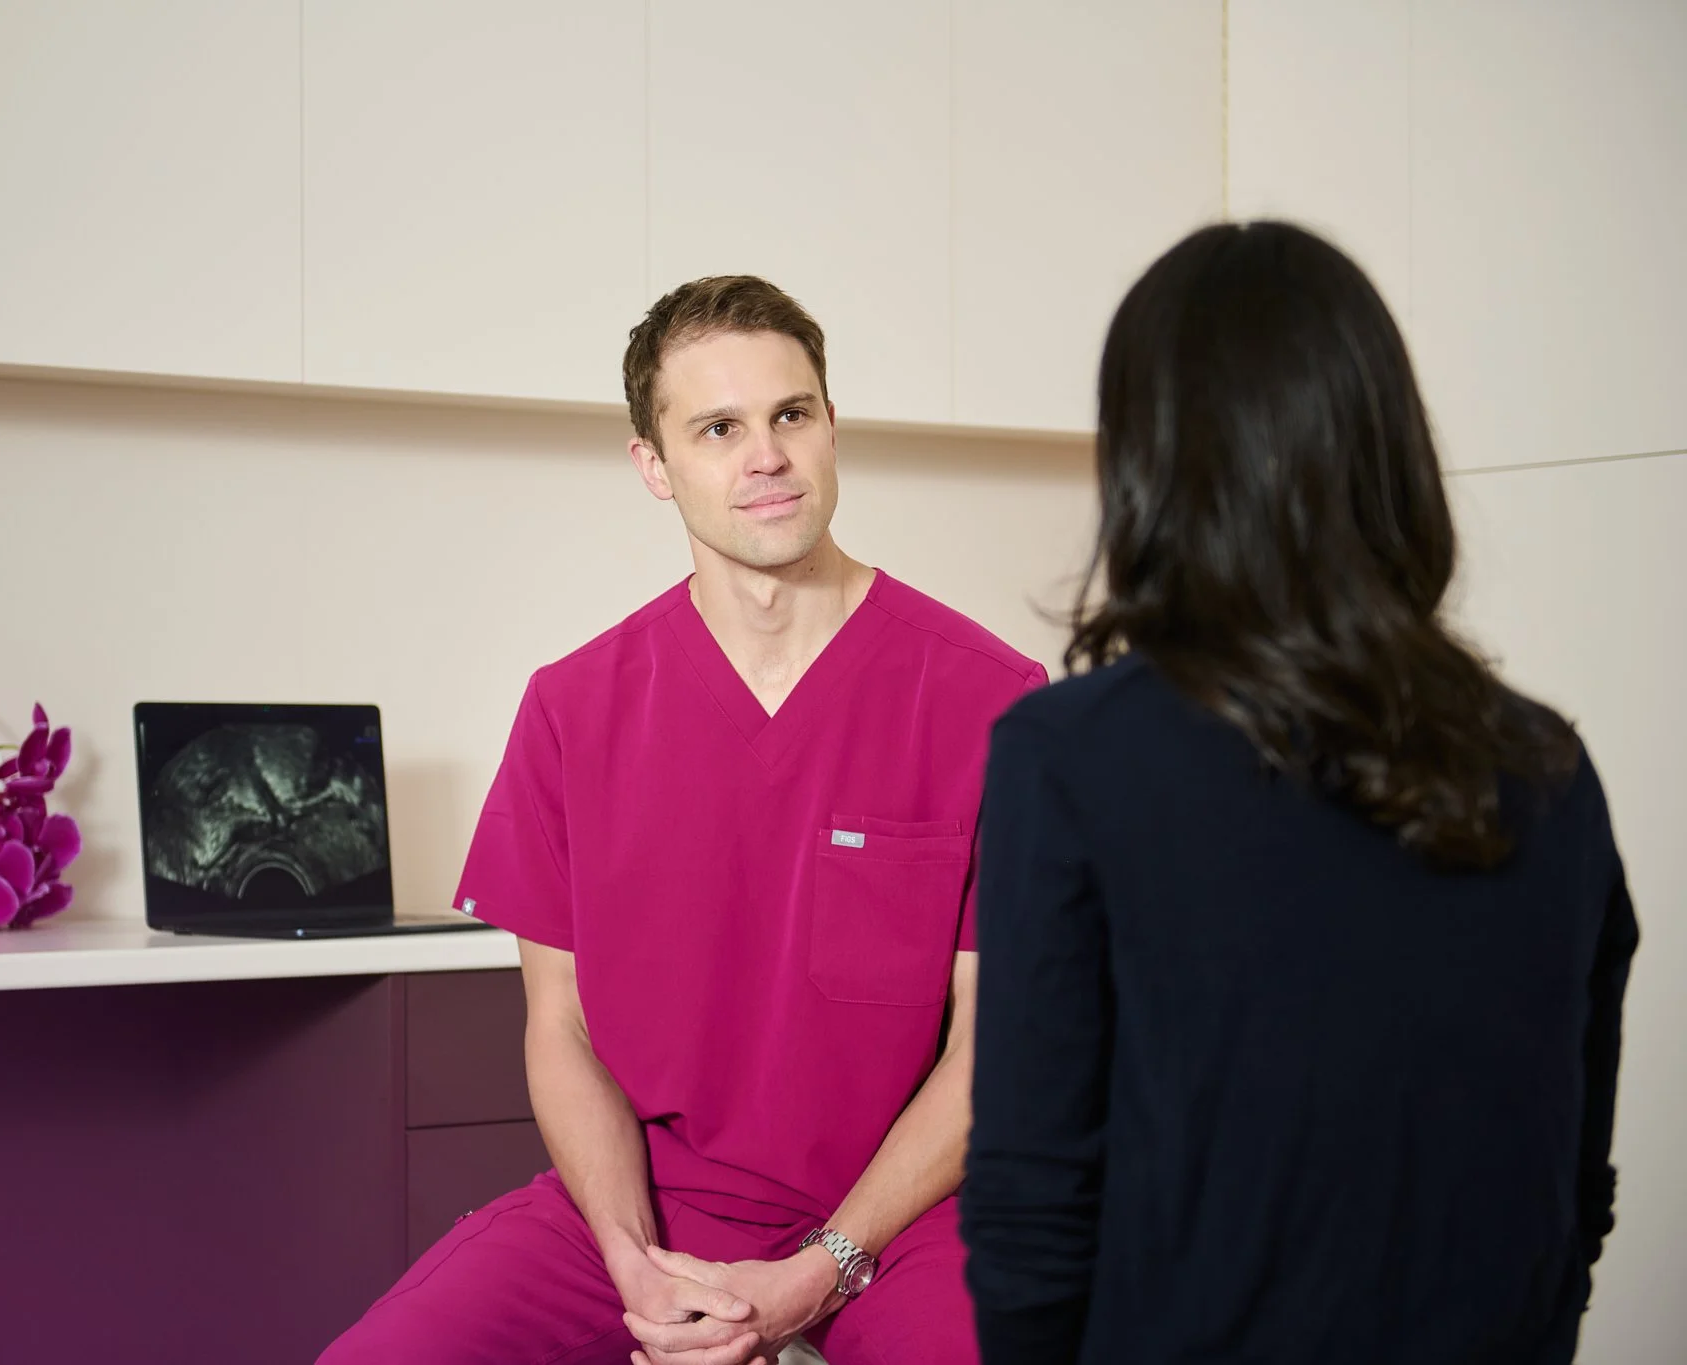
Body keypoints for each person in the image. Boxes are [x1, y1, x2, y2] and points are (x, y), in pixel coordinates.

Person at [318, 275, 1045, 1365]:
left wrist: (820, 1268)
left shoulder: (991, 699)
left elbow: (996, 1051)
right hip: (650, 1208)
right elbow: (559, 1029)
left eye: (789, 415)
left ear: (831, 427)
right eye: (717, 428)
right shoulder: (574, 708)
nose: (765, 456)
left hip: (913, 1218)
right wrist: (631, 1265)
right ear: (653, 467)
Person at [960, 220, 1639, 1364]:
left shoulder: (1067, 758)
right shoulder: (1548, 771)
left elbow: (1034, 1205)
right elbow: (1570, 1199)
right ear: (1385, 448)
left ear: (1146, 464)